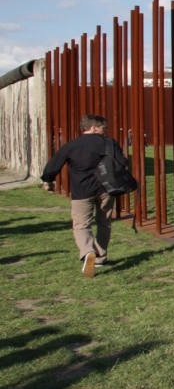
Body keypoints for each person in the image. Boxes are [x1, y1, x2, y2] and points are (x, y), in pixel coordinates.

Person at [40, 114, 129, 278]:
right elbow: (122, 163)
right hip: (107, 189)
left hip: (82, 190)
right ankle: (100, 256)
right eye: (103, 127)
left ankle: (88, 251)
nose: (105, 130)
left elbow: (53, 166)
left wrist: (48, 181)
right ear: (94, 127)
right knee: (104, 222)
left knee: (81, 224)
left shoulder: (71, 145)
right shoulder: (109, 143)